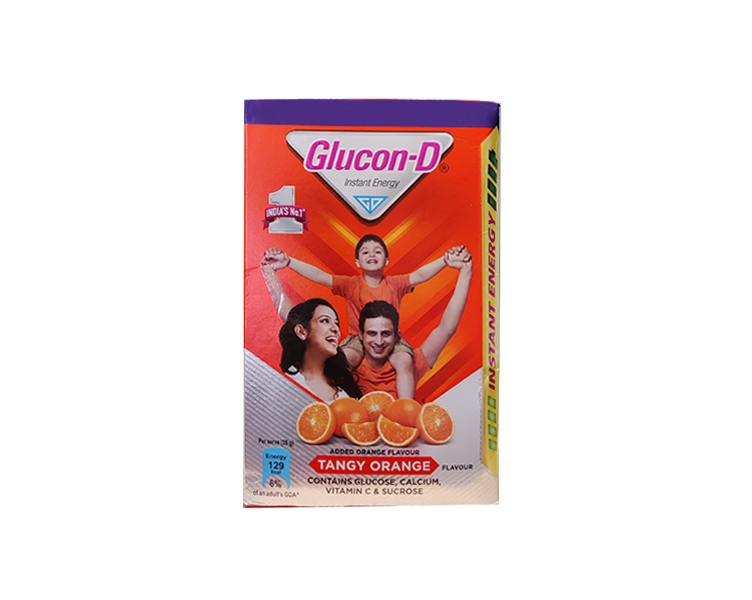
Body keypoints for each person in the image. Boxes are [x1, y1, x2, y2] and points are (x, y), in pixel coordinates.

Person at [263, 235, 468, 399]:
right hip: (356, 340)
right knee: (341, 361)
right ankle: (339, 403)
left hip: (393, 340)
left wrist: (445, 260)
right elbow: (318, 275)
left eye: (378, 251)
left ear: (386, 260)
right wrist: (289, 262)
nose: (372, 254)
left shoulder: (395, 283)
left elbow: (421, 275)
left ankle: (406, 408)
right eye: (365, 252)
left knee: (404, 360)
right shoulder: (350, 284)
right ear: (357, 261)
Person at [355, 249, 472, 399]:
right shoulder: (348, 364)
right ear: (360, 335)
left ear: (396, 336)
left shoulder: (410, 363)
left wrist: (465, 271)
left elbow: (447, 328)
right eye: (372, 333)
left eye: (386, 334)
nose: (379, 341)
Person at [263, 266, 361, 402]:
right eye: (325, 320)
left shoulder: (343, 383)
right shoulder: (287, 383)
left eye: (336, 323)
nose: (335, 329)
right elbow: (290, 315)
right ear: (301, 331)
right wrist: (269, 273)